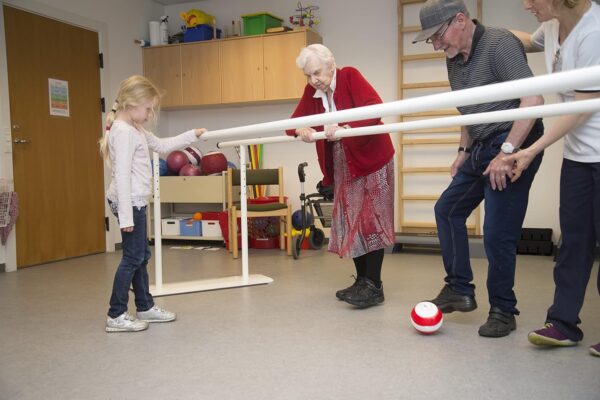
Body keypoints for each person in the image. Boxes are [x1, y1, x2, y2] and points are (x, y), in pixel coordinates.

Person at [412, 0, 545, 337]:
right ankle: (459, 288)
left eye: (437, 36)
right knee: (447, 209)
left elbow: (533, 101)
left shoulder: (499, 43)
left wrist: (508, 152)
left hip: (515, 139)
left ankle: (503, 308)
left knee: (498, 231)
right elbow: (470, 113)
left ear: (460, 20)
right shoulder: (454, 60)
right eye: (431, 40)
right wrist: (462, 151)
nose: (436, 44)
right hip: (483, 144)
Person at [507, 0, 600, 357]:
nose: (525, 4)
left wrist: (531, 149)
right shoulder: (552, 26)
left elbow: (578, 109)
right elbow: (529, 41)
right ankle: (563, 322)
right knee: (574, 241)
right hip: (579, 157)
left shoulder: (593, 32)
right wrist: (479, 31)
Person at [286, 44, 395, 308]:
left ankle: (374, 285)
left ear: (331, 64)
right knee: (351, 222)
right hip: (344, 166)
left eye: (317, 73)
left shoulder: (349, 76)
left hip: (371, 160)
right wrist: (301, 129)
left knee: (371, 223)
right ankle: (361, 282)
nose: (314, 80)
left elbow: (374, 108)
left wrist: (347, 127)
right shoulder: (312, 92)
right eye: (308, 76)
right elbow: (292, 124)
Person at [99, 75, 206, 332]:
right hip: (129, 203)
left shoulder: (135, 129)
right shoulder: (123, 133)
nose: (149, 114)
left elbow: (162, 145)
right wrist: (125, 217)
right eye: (147, 108)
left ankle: (145, 306)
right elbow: (122, 177)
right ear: (130, 103)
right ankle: (116, 314)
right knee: (132, 258)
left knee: (140, 256)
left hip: (135, 201)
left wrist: (192, 134)